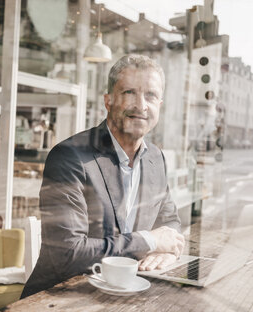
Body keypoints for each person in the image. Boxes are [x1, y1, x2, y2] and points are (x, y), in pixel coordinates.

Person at [21, 54, 185, 298]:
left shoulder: (156, 159)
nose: (141, 105)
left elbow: (169, 222)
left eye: (150, 95)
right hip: (59, 298)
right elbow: (68, 254)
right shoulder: (69, 157)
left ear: (159, 105)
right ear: (108, 101)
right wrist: (149, 241)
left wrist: (168, 251)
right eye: (129, 92)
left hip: (126, 293)